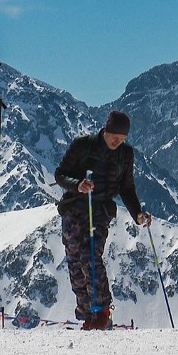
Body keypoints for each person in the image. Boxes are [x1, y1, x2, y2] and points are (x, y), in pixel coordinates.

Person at [55, 111, 152, 330]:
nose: (118, 141)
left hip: (100, 211)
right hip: (74, 208)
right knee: (75, 263)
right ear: (105, 130)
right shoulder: (82, 145)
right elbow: (60, 174)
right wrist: (77, 184)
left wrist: (137, 213)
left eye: (123, 138)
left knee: (91, 255)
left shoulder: (126, 154)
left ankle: (102, 312)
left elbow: (127, 188)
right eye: (114, 136)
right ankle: (88, 315)